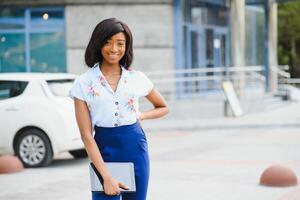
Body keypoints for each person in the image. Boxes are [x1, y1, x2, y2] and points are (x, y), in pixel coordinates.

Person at [70, 18, 169, 200]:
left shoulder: (136, 78)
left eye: (120, 43)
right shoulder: (83, 83)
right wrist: (106, 177)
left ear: (127, 46)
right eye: (107, 42)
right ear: (98, 44)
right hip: (103, 150)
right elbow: (85, 134)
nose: (114, 49)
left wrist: (140, 115)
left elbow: (163, 107)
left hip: (135, 147)